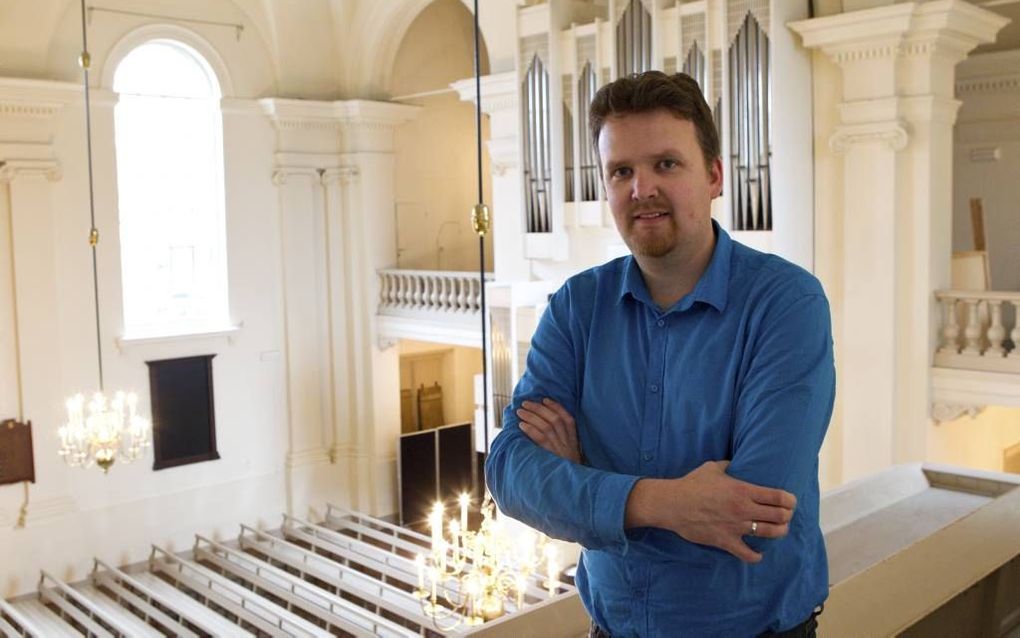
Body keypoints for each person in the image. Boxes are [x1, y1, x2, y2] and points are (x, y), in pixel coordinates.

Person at [485, 71, 834, 637]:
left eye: (666, 164)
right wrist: (664, 503)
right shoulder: (576, 307)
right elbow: (509, 471)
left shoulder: (786, 304)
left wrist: (582, 482)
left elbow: (751, 514)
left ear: (714, 175)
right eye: (621, 170)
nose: (640, 188)